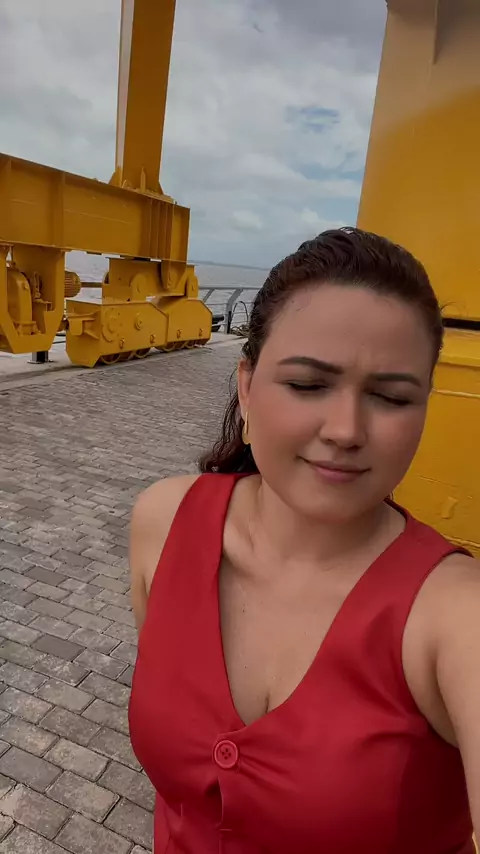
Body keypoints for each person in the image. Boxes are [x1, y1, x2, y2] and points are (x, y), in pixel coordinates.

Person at [129, 227, 480, 854]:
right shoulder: (164, 522)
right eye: (308, 385)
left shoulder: (454, 614)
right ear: (246, 386)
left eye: (391, 397)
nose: (345, 430)